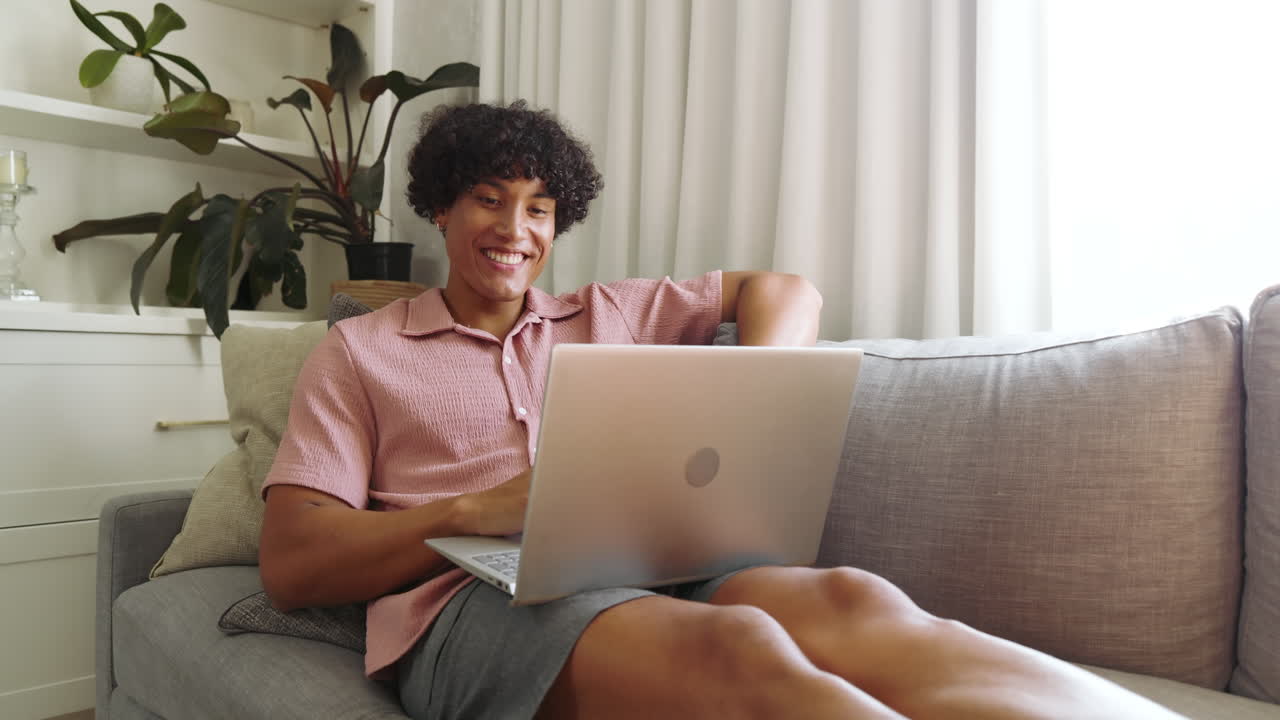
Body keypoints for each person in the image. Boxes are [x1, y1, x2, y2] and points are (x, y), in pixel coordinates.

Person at [258, 101, 1180, 720]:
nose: (515, 230)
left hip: (654, 562)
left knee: (852, 599)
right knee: (738, 651)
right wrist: (472, 511)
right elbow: (294, 563)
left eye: (540, 208)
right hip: (469, 605)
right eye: (489, 201)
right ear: (441, 210)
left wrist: (755, 392)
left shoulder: (609, 314)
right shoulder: (363, 351)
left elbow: (784, 290)